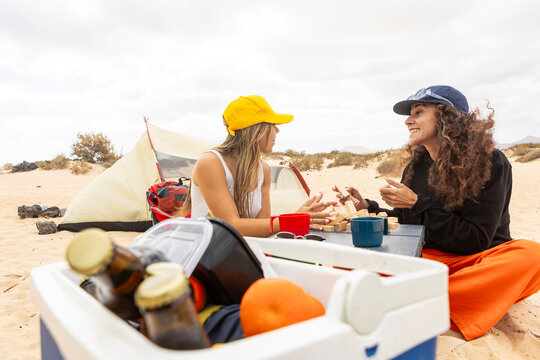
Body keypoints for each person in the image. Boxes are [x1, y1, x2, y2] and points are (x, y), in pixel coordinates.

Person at [336, 85, 540, 341]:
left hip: (477, 263)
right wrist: (370, 207)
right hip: (428, 260)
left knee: (531, 255)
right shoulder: (416, 166)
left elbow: (475, 239)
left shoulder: (490, 162)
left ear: (447, 118)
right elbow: (407, 222)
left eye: (418, 112)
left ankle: (413, 298)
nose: (409, 121)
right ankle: (428, 297)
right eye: (410, 114)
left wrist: (418, 203)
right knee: (344, 263)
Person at [178, 95, 335, 237]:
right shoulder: (211, 164)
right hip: (208, 255)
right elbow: (231, 226)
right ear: (256, 130)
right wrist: (291, 221)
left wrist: (295, 219)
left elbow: (263, 231)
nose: (277, 130)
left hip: (244, 255)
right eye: (272, 125)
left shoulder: (263, 170)